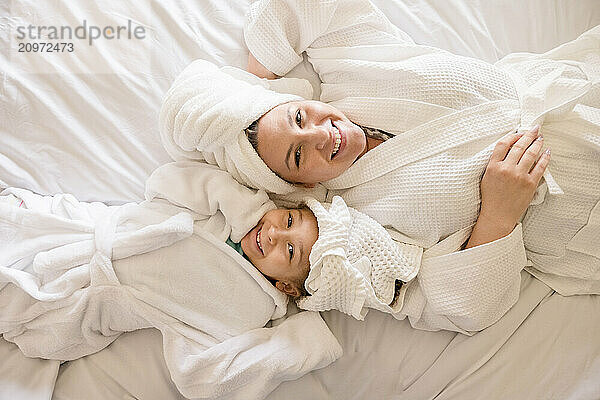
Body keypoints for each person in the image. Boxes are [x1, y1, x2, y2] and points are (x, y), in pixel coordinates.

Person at [159, 0, 600, 321]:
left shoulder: (355, 68)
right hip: (583, 220)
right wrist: (499, 215)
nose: (319, 133)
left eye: (298, 116)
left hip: (586, 103)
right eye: (296, 155)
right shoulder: (358, 225)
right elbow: (459, 307)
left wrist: (253, 89)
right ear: (299, 186)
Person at [0, 161, 342, 400]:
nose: (272, 234)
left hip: (87, 300)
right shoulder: (226, 213)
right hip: (83, 231)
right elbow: (165, 182)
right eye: (288, 219)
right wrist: (245, 209)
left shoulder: (245, 313)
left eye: (290, 251)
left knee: (16, 302)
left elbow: (203, 377)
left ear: (285, 286)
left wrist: (302, 343)